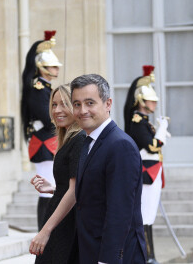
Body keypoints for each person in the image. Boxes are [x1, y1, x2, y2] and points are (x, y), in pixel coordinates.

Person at [71, 74, 147, 264]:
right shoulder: (88, 141)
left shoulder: (120, 145)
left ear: (108, 104)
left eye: (90, 103)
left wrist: (108, 260)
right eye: (77, 104)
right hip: (91, 251)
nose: (83, 110)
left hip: (114, 256)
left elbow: (119, 211)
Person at [29, 84, 85, 263]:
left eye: (64, 104)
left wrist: (45, 231)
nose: (57, 110)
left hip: (66, 226)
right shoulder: (69, 138)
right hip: (62, 222)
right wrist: (55, 189)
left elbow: (75, 191)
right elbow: (73, 187)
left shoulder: (79, 139)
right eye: (54, 105)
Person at [124, 66, 169, 264]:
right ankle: (146, 256)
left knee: (149, 216)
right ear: (142, 101)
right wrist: (162, 131)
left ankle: (150, 255)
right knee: (145, 216)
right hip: (146, 172)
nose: (155, 104)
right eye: (152, 101)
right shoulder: (137, 122)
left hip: (153, 172)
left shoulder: (145, 122)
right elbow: (152, 146)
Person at [21, 30, 62, 230]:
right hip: (44, 142)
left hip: (49, 141)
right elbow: (48, 119)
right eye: (53, 66)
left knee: (50, 188)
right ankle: (44, 231)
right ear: (42, 68)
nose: (56, 69)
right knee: (46, 190)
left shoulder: (45, 87)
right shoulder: (38, 88)